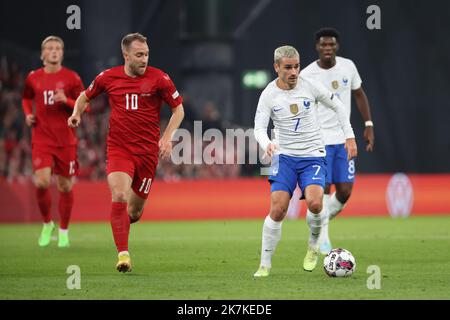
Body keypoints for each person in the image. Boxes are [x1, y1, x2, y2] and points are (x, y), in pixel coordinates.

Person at [68, 33, 184, 273]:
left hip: (147, 155)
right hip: (119, 149)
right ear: (126, 55)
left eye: (147, 54)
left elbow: (178, 110)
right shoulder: (107, 77)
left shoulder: (160, 79)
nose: (144, 59)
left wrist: (167, 137)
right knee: (119, 195)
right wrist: (77, 113)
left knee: (134, 212)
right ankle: (123, 255)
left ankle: (119, 223)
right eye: (139, 55)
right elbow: (84, 96)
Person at [253, 45, 357, 277]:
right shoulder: (269, 94)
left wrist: (349, 136)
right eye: (288, 67)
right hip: (284, 157)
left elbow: (338, 107)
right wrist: (266, 143)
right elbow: (259, 127)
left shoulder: (310, 86)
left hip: (312, 156)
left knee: (316, 204)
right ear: (276, 67)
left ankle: (313, 247)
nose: (293, 72)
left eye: (297, 67)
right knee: (278, 209)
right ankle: (264, 264)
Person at [301, 27, 375, 254]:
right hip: (318, 141)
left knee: (344, 191)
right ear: (317, 47)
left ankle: (316, 222)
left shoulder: (348, 67)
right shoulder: (307, 75)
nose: (327, 48)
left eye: (331, 44)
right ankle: (323, 239)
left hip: (344, 139)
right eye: (323, 44)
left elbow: (359, 94)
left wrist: (368, 125)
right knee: (322, 190)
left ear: (337, 46)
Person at [22, 35, 86, 248]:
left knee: (65, 186)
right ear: (42, 54)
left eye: (58, 48)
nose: (54, 51)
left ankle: (64, 230)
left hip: (66, 140)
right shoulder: (33, 77)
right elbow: (26, 97)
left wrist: (66, 101)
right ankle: (47, 223)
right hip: (41, 138)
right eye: (50, 48)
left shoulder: (72, 78)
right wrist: (27, 114)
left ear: (62, 53)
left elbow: (85, 105)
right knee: (41, 181)